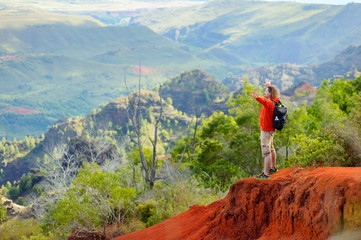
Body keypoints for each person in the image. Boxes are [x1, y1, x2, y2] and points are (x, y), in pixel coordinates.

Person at [250, 78, 280, 179]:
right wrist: (268, 85)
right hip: (270, 129)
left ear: (270, 94)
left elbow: (263, 100)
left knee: (266, 152)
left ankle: (266, 174)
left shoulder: (269, 104)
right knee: (271, 149)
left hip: (266, 131)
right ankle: (273, 168)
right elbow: (266, 97)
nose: (264, 92)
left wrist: (256, 97)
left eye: (266, 91)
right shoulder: (274, 101)